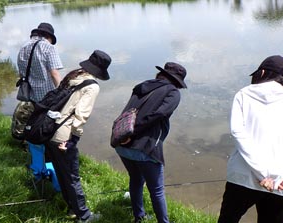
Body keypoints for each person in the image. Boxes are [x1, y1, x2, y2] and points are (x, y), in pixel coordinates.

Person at [218, 55, 283, 223]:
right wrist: (281, 176)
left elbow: (238, 133)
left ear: (263, 72)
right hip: (281, 185)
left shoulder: (244, 95)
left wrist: (262, 173)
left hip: (242, 176)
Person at [113, 62, 187, 223]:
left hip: (121, 145)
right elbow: (159, 115)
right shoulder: (173, 93)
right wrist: (133, 134)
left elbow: (127, 113)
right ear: (177, 82)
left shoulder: (141, 86)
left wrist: (125, 136)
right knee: (157, 190)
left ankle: (139, 217)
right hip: (143, 149)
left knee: (136, 180)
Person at [46, 50, 111, 223]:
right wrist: (73, 140)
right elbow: (81, 116)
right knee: (72, 176)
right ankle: (84, 215)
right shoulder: (92, 86)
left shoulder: (73, 76)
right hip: (63, 136)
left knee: (62, 172)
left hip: (50, 130)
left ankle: (71, 209)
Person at [12, 22, 63, 140]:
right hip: (45, 93)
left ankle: (27, 139)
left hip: (28, 91)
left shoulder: (24, 47)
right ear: (49, 36)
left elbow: (21, 72)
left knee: (31, 117)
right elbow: (54, 73)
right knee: (43, 120)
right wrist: (61, 92)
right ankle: (41, 141)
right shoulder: (48, 47)